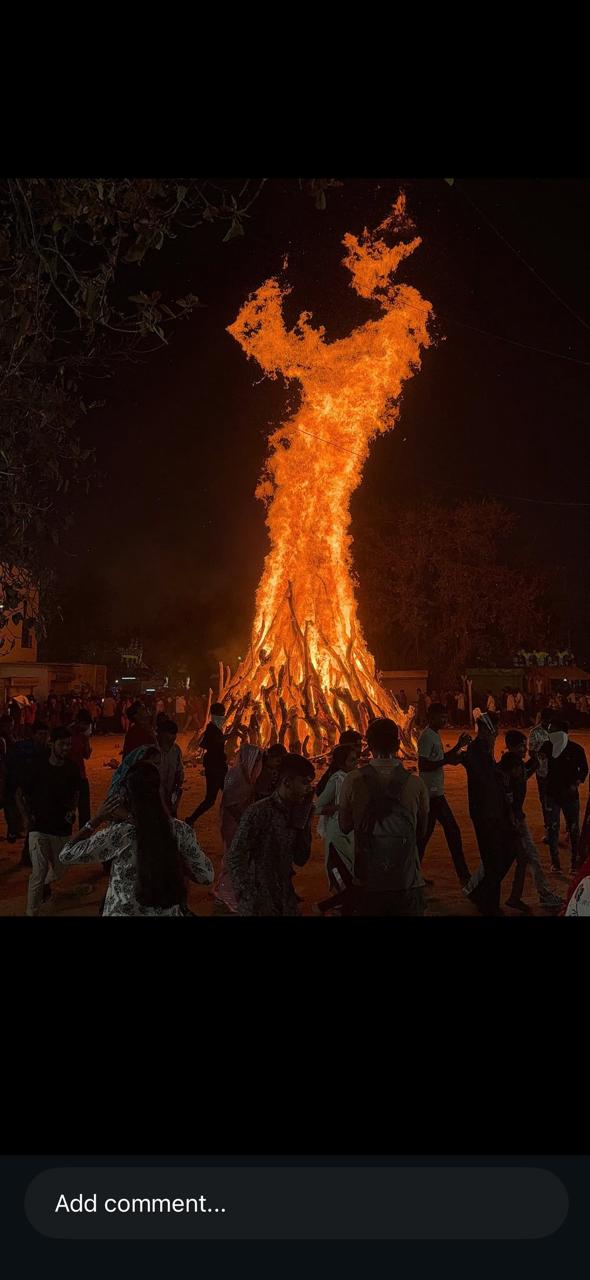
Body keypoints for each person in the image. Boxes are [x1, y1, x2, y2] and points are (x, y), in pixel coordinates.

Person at [59, 759, 214, 916]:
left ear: (127, 796)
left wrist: (96, 819)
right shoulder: (180, 831)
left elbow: (67, 853)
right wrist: (177, 861)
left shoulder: (120, 835)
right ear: (159, 791)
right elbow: (206, 876)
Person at [339, 717, 429, 917]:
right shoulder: (416, 785)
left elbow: (344, 826)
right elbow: (421, 832)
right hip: (406, 879)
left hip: (368, 879)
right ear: (398, 744)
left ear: (368, 746)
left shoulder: (352, 780)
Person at [227, 752, 315, 916]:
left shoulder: (296, 813)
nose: (310, 789)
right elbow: (235, 855)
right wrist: (248, 894)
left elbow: (301, 858)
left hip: (285, 899)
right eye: (305, 783)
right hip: (258, 902)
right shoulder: (259, 812)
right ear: (287, 782)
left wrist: (304, 822)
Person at [498, 731, 562, 913]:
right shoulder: (509, 766)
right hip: (514, 819)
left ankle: (477, 889)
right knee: (529, 855)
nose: (524, 749)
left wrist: (535, 761)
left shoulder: (511, 764)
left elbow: (523, 775)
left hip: (512, 817)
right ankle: (543, 894)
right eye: (521, 746)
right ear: (511, 747)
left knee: (505, 856)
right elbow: (510, 790)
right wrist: (513, 818)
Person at [461, 711, 514, 915]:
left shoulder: (485, 749)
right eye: (493, 728)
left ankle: (482, 895)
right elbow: (483, 779)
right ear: (485, 729)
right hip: (484, 812)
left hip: (493, 811)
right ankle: (488, 904)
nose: (496, 732)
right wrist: (500, 774)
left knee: (504, 854)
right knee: (493, 859)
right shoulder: (476, 750)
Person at [23, 727, 80, 916]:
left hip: (61, 829)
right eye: (62, 744)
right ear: (52, 744)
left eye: (69, 745)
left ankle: (47, 885)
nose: (66, 748)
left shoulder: (72, 768)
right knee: (38, 872)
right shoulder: (37, 766)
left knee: (62, 868)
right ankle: (31, 912)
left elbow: (76, 792)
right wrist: (26, 816)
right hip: (38, 828)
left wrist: (72, 810)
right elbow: (20, 793)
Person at [417, 704, 472, 887]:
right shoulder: (426, 736)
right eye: (441, 717)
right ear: (430, 716)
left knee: (424, 836)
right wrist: (450, 757)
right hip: (432, 794)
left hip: (435, 792)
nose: (444, 720)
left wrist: (457, 752)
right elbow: (424, 765)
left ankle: (413, 873)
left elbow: (439, 760)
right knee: (452, 831)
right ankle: (464, 875)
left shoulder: (433, 735)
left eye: (445, 716)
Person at [542, 718, 588, 874]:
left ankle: (574, 862)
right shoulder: (547, 747)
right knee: (553, 829)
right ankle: (556, 863)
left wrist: (576, 782)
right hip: (553, 794)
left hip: (568, 795)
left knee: (573, 829)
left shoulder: (575, 749)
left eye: (553, 730)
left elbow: (584, 770)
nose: (550, 733)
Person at [314, 739, 361, 886]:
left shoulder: (357, 778)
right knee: (340, 869)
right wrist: (339, 808)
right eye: (352, 760)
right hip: (338, 832)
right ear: (341, 764)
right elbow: (317, 807)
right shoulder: (336, 780)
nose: (356, 763)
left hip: (353, 831)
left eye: (356, 759)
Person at [185, 703, 229, 826]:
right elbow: (209, 743)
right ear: (214, 715)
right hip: (214, 767)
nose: (222, 717)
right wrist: (229, 735)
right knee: (211, 799)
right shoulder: (211, 728)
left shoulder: (214, 728)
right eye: (220, 714)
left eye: (223, 714)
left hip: (218, 766)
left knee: (228, 793)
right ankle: (191, 819)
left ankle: (237, 818)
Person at [528, 708, 553, 837]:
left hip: (556, 771)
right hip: (542, 770)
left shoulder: (556, 730)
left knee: (555, 798)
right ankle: (548, 825)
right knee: (545, 799)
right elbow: (531, 752)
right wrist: (541, 755)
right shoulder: (535, 732)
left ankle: (553, 823)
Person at [69, 708, 93, 828]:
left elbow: (87, 755)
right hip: (68, 775)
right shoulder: (68, 733)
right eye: (85, 724)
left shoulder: (83, 735)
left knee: (84, 808)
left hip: (81, 774)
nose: (86, 727)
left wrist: (87, 739)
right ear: (78, 721)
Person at [157, 718, 184, 817]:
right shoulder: (152, 750)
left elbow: (179, 771)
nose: (173, 739)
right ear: (161, 734)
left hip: (169, 793)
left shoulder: (176, 750)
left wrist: (176, 792)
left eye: (174, 735)